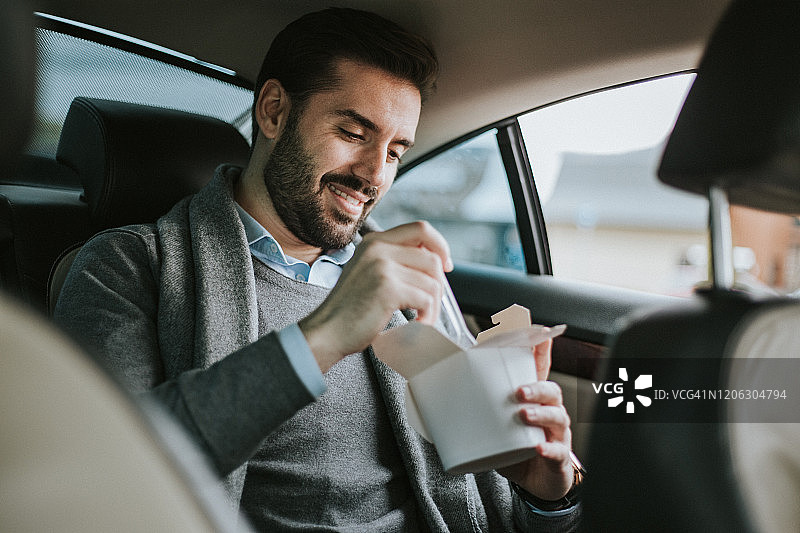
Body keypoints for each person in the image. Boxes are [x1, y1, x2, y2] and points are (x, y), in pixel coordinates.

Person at [55, 7, 580, 532]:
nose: (374, 175)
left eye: (395, 152)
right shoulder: (128, 267)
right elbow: (106, 476)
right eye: (353, 133)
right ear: (274, 112)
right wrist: (326, 334)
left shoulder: (410, 278)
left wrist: (547, 499)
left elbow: (483, 508)